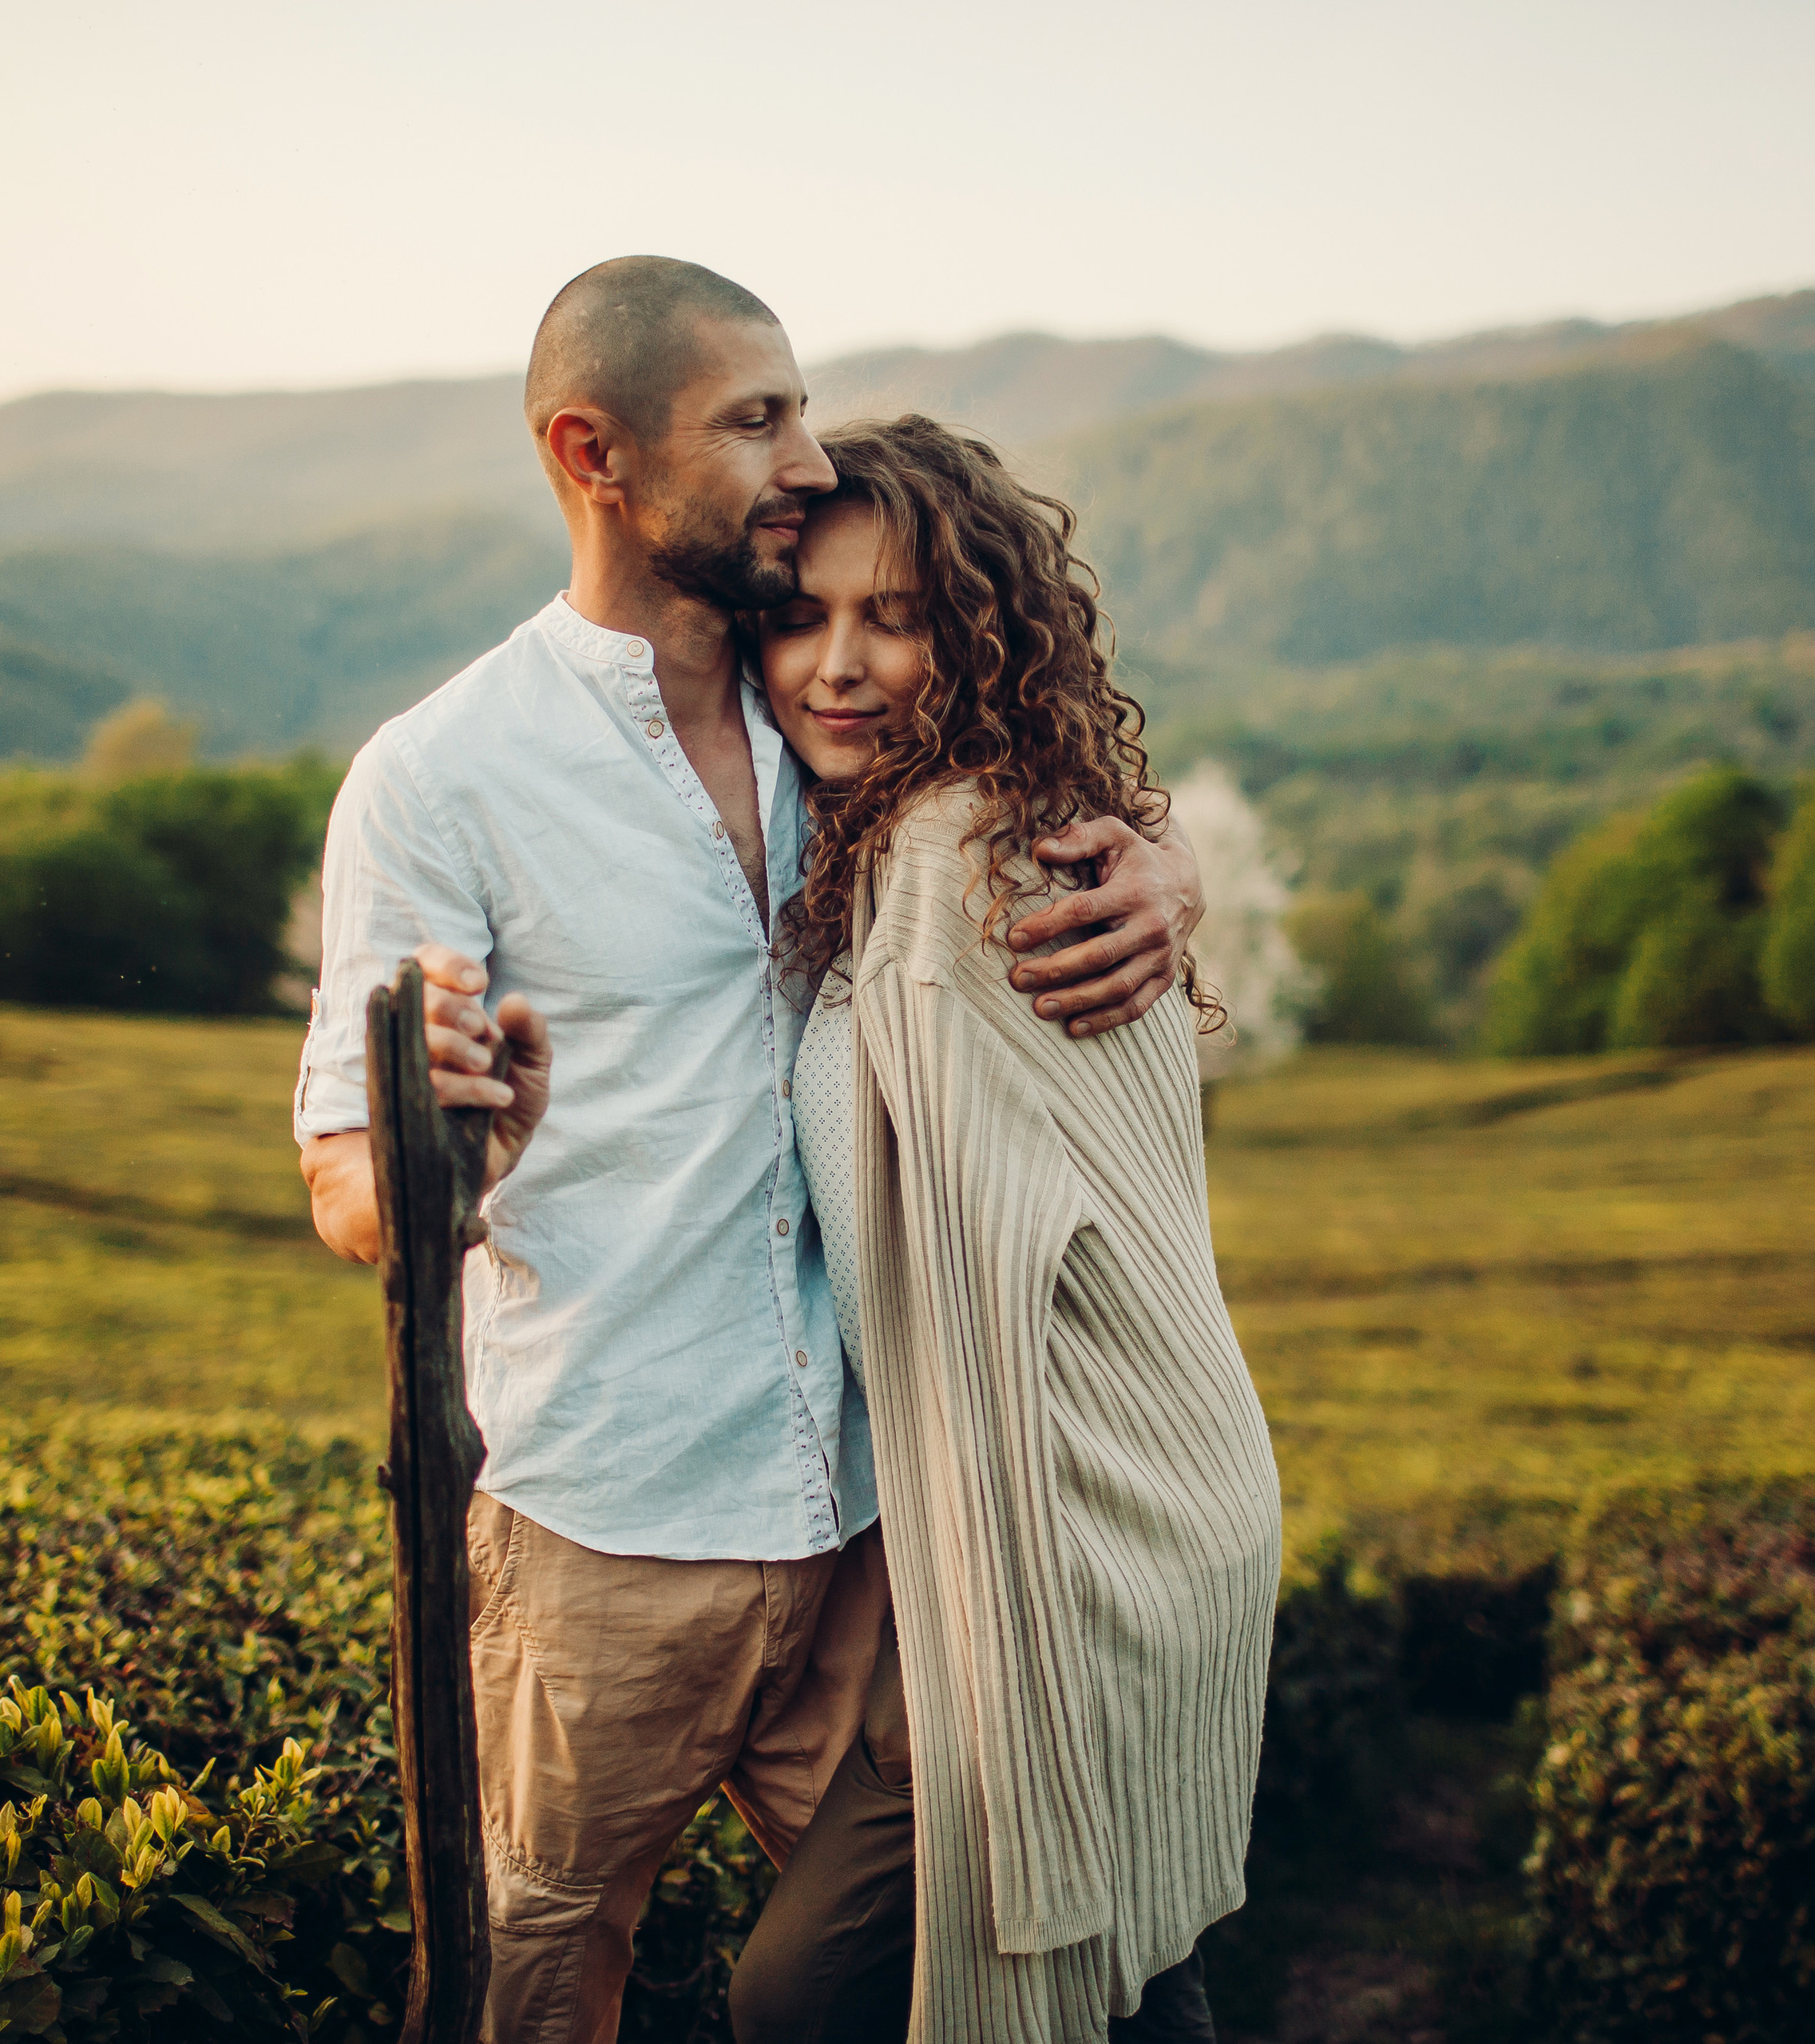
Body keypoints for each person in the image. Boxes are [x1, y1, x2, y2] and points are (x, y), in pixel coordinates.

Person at [295, 256, 1207, 2044]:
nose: (802, 457)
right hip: (605, 1532)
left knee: (1020, 1943)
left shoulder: (842, 729)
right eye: (754, 419)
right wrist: (442, 1161)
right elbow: (345, 1171)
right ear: (594, 454)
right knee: (536, 1983)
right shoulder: (442, 774)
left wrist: (1165, 873)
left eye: (798, 404)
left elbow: (1034, 810)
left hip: (870, 1517)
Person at [723, 416, 1283, 2044]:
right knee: (1124, 1966)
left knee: (813, 2000)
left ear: (972, 631)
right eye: (798, 615)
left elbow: (986, 1294)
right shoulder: (984, 826)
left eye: (891, 615)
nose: (836, 665)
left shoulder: (945, 868)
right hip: (1142, 1494)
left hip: (1070, 1529)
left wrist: (961, 1638)